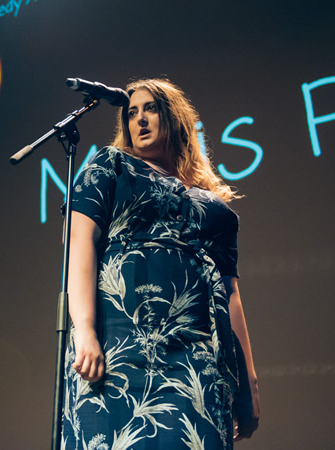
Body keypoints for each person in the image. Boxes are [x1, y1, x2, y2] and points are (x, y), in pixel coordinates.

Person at [62, 78, 260, 449]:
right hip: (119, 347)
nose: (139, 119)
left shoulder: (216, 209)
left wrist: (247, 386)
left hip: (198, 361)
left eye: (151, 108)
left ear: (175, 119)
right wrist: (84, 329)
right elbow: (79, 242)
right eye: (131, 112)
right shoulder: (111, 167)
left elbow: (231, 294)